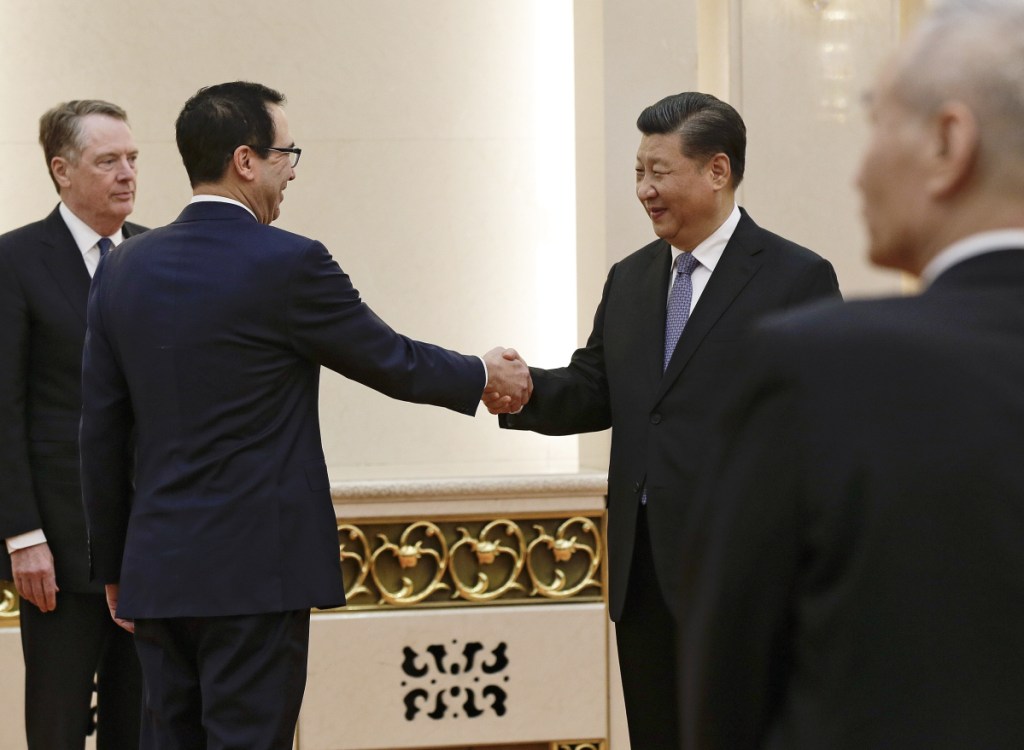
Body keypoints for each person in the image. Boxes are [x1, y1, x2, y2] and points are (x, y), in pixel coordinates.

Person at [78, 81, 530, 749]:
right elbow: (392, 361)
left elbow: (100, 432)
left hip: (159, 571)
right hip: (258, 571)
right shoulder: (288, 262)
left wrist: (116, 567)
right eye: (286, 152)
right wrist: (484, 373)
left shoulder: (122, 269)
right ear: (245, 160)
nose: (291, 170)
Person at [683, 2, 1024, 748]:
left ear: (948, 142)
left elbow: (727, 697)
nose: (861, 167)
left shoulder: (814, 369)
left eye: (875, 123)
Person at [487, 92, 840, 747]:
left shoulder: (795, 278)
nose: (645, 190)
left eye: (659, 171)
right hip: (642, 572)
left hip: (743, 571)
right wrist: (515, 388)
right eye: (637, 173)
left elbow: (823, 427)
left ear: (717, 171)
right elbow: (597, 387)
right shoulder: (630, 279)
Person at [0, 100, 144, 749]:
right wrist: (22, 533)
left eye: (132, 159)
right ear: (61, 170)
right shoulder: (15, 259)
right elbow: (5, 406)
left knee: (141, 724)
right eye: (107, 160)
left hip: (150, 547)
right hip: (57, 548)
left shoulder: (156, 253)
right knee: (57, 726)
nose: (127, 174)